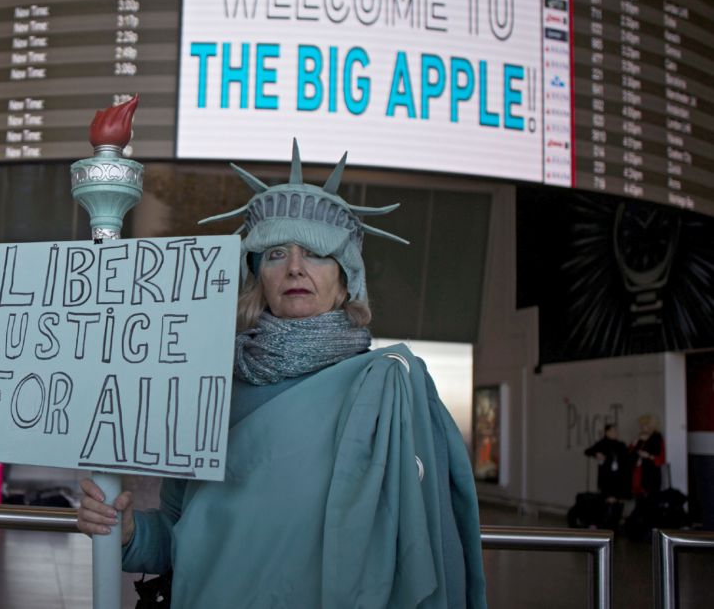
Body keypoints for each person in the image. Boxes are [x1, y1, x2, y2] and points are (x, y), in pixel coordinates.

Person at [76, 142, 487, 608]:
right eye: (275, 254)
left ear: (346, 278)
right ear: (257, 278)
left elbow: (422, 551)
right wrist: (128, 531)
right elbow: (177, 536)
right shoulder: (210, 387)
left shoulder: (387, 390)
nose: (294, 266)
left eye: (314, 252)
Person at [583, 424, 629, 500]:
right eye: (613, 431)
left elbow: (626, 457)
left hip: (618, 476)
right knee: (606, 497)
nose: (616, 433)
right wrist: (596, 454)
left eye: (616, 431)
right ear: (607, 432)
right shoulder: (602, 443)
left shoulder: (621, 445)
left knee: (617, 498)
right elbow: (588, 451)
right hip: (606, 475)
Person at [629, 414, 665, 497]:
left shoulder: (656, 437)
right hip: (639, 473)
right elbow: (631, 451)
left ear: (650, 425)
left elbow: (659, 457)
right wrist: (635, 443)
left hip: (651, 474)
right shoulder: (640, 437)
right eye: (641, 425)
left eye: (643, 425)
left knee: (651, 497)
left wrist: (648, 455)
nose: (641, 427)